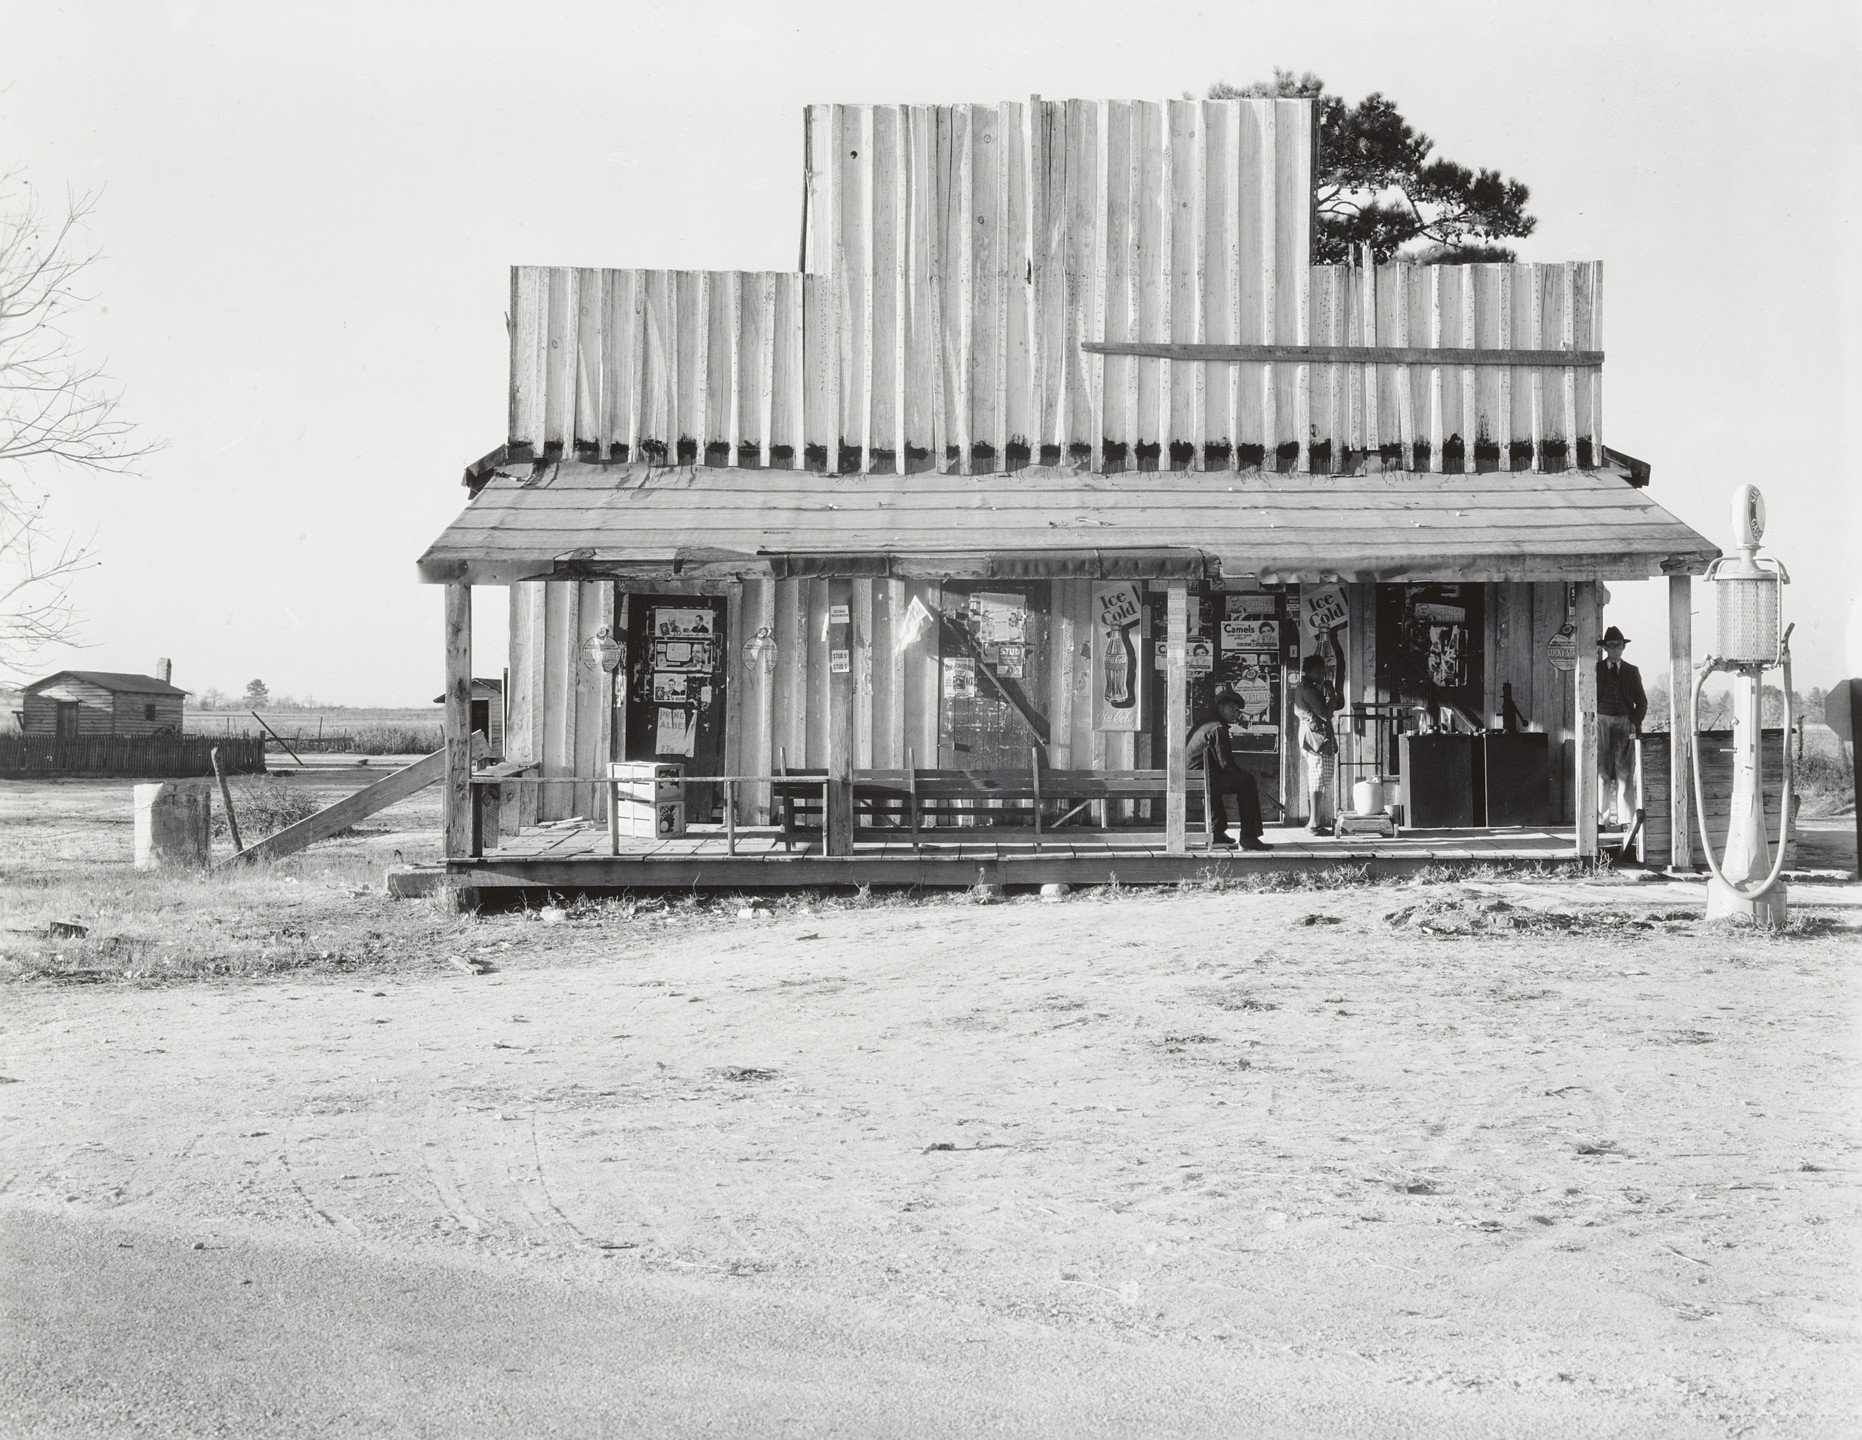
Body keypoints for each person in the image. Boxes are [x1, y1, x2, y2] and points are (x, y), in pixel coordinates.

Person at [1185, 687, 1268, 851]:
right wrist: (1242, 774)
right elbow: (1226, 764)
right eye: (1231, 709)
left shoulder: (1207, 722)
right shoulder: (1217, 727)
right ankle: (1249, 837)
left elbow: (1222, 764)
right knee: (1248, 782)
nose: (1235, 713)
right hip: (1200, 778)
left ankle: (1217, 833)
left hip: (1194, 777)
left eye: (1237, 710)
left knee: (1232, 780)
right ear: (1220, 707)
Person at [1596, 624, 1647, 827]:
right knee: (1602, 773)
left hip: (1625, 723)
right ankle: (1601, 821)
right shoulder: (1595, 669)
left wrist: (1633, 722)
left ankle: (1626, 820)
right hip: (1601, 722)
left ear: (1623, 648)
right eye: (1611, 645)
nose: (1615, 649)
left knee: (1625, 772)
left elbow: (1641, 702)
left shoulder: (1632, 671)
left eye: (1619, 645)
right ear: (1605, 648)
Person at [1292, 642, 1345, 834]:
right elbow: (1325, 714)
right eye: (1317, 673)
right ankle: (1313, 823)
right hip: (1316, 738)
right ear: (1307, 672)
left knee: (1319, 777)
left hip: (1313, 736)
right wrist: (1332, 695)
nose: (1321, 676)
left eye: (1322, 673)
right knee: (1317, 777)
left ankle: (1315, 821)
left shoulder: (1305, 687)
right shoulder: (1309, 690)